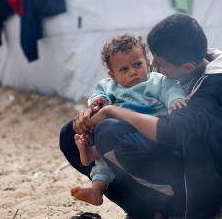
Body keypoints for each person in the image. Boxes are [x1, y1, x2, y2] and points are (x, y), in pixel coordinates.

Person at [60, 13, 222, 219]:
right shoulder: (183, 62)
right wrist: (95, 110)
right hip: (165, 158)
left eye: (159, 64)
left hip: (195, 189)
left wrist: (111, 111)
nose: (154, 67)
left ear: (187, 68)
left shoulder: (219, 87)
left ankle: (173, 209)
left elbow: (171, 132)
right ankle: (147, 212)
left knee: (109, 130)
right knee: (71, 133)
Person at [70, 33, 187, 207]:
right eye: (124, 69)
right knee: (104, 162)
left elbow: (172, 90)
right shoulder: (109, 86)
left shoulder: (158, 82)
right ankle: (96, 188)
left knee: (107, 141)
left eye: (137, 64)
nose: (133, 72)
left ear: (147, 63)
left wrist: (175, 101)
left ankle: (93, 152)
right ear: (113, 75)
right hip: (119, 136)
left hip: (148, 134)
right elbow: (98, 95)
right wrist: (98, 100)